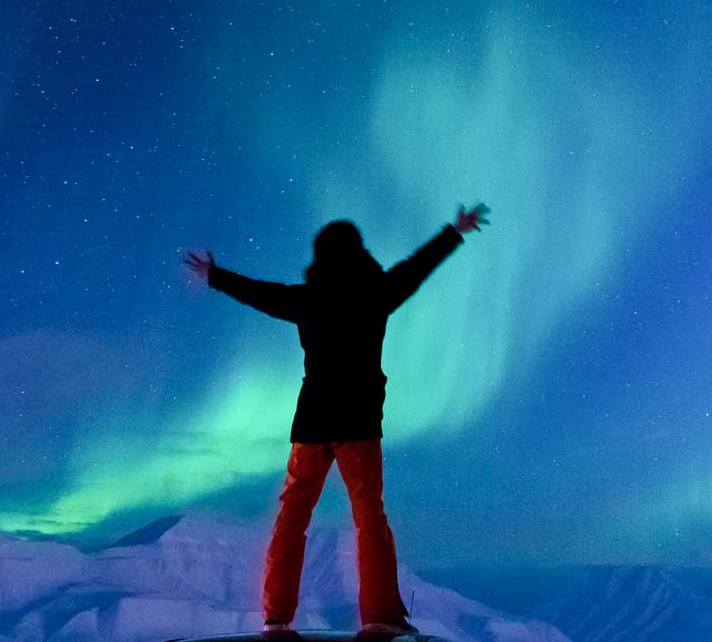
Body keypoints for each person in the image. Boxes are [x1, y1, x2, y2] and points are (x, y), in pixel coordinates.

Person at [185, 202, 489, 636]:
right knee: (369, 518)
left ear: (321, 256)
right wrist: (454, 231)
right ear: (358, 252)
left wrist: (215, 275)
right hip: (359, 424)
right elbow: (416, 268)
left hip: (310, 425)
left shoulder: (305, 299)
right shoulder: (377, 293)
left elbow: (259, 293)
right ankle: (381, 619)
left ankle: (276, 620)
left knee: (292, 516)